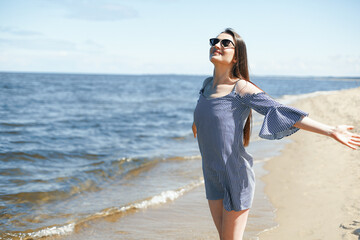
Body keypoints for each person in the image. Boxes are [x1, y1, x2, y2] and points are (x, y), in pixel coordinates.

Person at [192, 28, 360, 240]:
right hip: (212, 174)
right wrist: (197, 123)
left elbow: (279, 111)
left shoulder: (241, 88)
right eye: (215, 41)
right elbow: (207, 112)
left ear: (237, 57)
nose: (217, 45)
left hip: (235, 176)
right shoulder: (207, 85)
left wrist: (331, 130)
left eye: (225, 43)